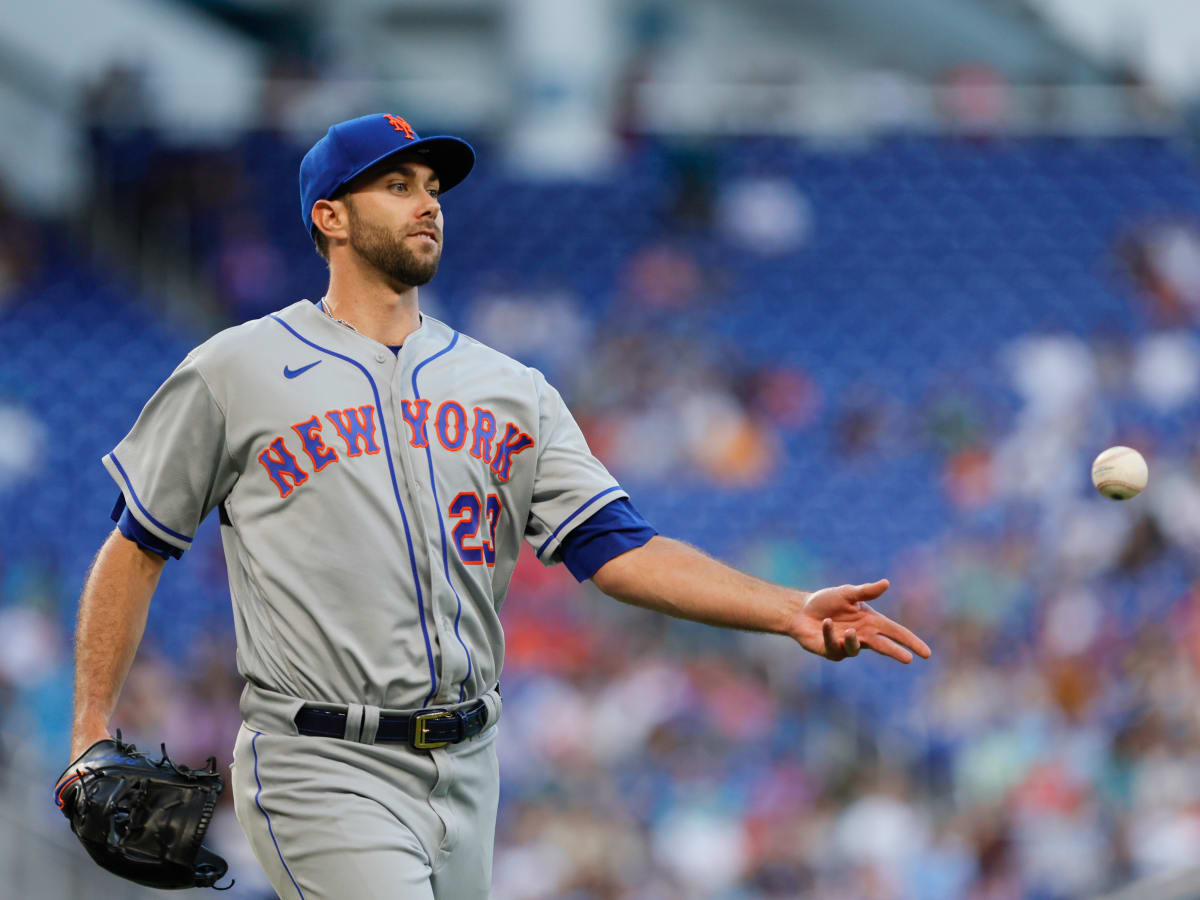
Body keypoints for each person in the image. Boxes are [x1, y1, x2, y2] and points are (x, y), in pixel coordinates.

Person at [62, 113, 931, 899]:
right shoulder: (234, 371)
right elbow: (136, 546)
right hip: (320, 758)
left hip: (470, 763)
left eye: (433, 189)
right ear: (329, 216)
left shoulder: (510, 387)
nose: (426, 204)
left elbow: (617, 549)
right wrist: (90, 733)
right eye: (396, 185)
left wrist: (785, 610)